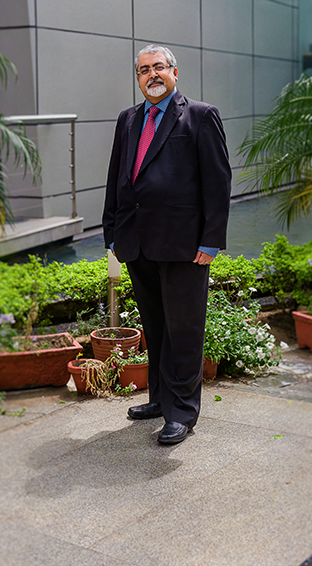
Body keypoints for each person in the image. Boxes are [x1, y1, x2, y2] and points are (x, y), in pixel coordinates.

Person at [102, 44, 231, 445]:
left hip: (183, 245)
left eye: (159, 67)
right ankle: (159, 399)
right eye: (144, 70)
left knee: (184, 329)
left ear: (175, 73)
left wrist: (210, 241)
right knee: (155, 327)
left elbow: (218, 182)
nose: (152, 75)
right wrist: (112, 234)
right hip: (137, 243)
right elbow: (117, 180)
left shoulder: (200, 116)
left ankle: (183, 413)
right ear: (138, 78)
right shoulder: (127, 120)